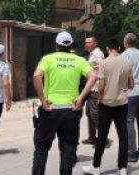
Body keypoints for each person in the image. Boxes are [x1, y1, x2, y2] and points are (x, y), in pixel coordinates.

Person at [32, 31, 97, 175]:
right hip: (71, 110)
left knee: (41, 148)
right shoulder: (79, 60)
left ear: (56, 45)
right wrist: (80, 98)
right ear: (71, 46)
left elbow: (37, 75)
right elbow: (93, 76)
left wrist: (43, 100)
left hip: (50, 109)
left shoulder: (48, 59)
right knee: (68, 149)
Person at [82, 38, 134, 175]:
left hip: (106, 103)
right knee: (123, 136)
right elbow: (131, 84)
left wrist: (100, 99)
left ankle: (96, 166)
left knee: (102, 136)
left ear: (107, 49)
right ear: (119, 48)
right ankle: (122, 167)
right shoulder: (127, 62)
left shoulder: (104, 63)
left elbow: (102, 86)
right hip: (122, 103)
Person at [122, 33, 139, 162]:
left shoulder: (125, 55)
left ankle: (131, 152)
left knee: (129, 120)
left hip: (132, 91)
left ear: (126, 42)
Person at [82, 36, 106, 147]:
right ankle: (92, 137)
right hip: (90, 88)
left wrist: (89, 67)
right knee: (89, 114)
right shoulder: (92, 54)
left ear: (95, 43)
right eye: (86, 42)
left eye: (89, 42)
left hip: (95, 88)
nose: (87, 44)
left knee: (95, 115)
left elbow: (102, 65)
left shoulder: (98, 54)